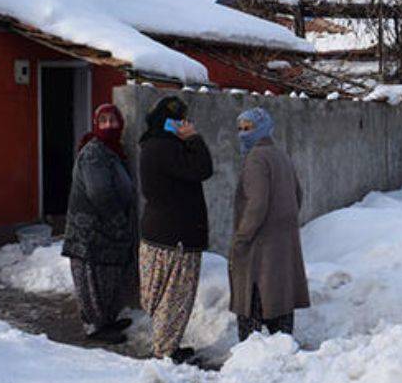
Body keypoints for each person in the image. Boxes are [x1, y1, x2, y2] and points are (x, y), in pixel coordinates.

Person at [137, 96, 213, 363]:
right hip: (176, 235)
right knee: (175, 296)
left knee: (159, 295)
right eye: (178, 120)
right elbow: (203, 169)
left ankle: (164, 344)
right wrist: (194, 138)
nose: (183, 124)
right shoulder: (167, 148)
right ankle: (165, 351)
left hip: (157, 232)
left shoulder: (149, 145)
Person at [230, 107, 310, 341]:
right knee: (280, 299)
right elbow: (298, 194)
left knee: (253, 300)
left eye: (249, 128)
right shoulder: (280, 154)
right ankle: (283, 348)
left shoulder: (255, 158)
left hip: (259, 246)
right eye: (240, 129)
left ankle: (251, 355)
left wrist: (242, 237)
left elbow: (256, 204)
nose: (243, 134)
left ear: (262, 128)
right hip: (282, 243)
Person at [62, 104, 136, 345]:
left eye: (113, 121)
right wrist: (118, 221)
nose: (108, 126)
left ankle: (106, 321)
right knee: (92, 279)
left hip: (105, 231)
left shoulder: (113, 151)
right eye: (102, 121)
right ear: (96, 124)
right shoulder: (94, 152)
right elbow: (100, 192)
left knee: (106, 279)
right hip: (89, 231)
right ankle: (94, 326)